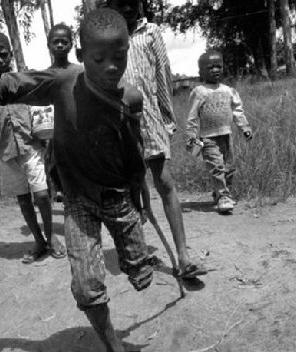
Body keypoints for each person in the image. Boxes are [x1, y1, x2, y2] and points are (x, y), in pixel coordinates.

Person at [0, 8, 153, 352]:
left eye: (120, 57)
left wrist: (140, 191)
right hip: (79, 202)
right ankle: (114, 349)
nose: (112, 67)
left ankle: (137, 261)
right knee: (85, 287)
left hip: (119, 200)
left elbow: (134, 151)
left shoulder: (129, 99)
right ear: (81, 53)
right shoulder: (64, 81)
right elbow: (15, 82)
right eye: (99, 59)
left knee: (140, 274)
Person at [106, 0, 206, 278]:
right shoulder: (108, 35)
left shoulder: (150, 32)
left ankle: (184, 256)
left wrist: (168, 118)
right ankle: (136, 255)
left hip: (149, 118)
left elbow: (162, 74)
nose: (127, 6)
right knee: (130, 190)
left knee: (164, 182)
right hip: (118, 122)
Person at [0, 31, 66, 264]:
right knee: (23, 200)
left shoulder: (23, 79)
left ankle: (51, 236)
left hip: (31, 146)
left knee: (42, 195)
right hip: (7, 152)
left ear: (10, 54)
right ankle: (38, 241)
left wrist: (48, 138)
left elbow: (43, 108)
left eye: (3, 54)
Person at [185, 50, 253, 214]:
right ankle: (224, 197)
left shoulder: (229, 91)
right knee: (217, 167)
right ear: (201, 71)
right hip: (208, 138)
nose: (215, 70)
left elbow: (238, 111)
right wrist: (191, 136)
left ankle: (220, 193)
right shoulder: (199, 92)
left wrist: (244, 127)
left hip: (226, 136)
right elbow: (192, 116)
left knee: (229, 168)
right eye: (210, 67)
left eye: (219, 66)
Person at [44, 23, 83, 203]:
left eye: (64, 42)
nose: (59, 45)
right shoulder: (44, 76)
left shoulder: (79, 72)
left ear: (71, 45)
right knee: (58, 171)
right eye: (55, 42)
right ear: (49, 45)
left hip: (79, 132)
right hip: (55, 135)